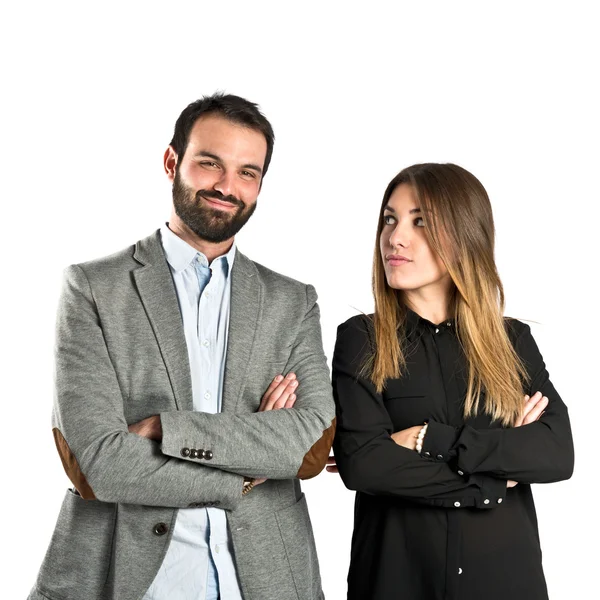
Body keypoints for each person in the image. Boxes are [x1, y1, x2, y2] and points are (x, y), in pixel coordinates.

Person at [29, 93, 335, 600]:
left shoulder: (292, 301)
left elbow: (308, 446)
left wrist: (166, 429)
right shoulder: (93, 288)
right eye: (209, 163)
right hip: (126, 576)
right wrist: (241, 471)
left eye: (247, 173)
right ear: (172, 162)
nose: (226, 187)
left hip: (266, 579)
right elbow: (100, 464)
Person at [328, 163, 574, 600]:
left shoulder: (511, 340)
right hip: (397, 582)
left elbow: (555, 453)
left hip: (505, 583)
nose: (395, 237)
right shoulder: (361, 338)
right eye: (390, 219)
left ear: (464, 235)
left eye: (420, 221)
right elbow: (365, 463)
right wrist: (492, 477)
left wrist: (429, 439)